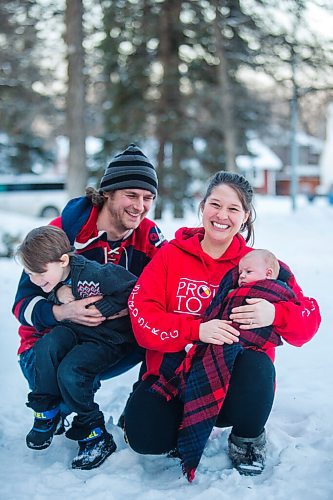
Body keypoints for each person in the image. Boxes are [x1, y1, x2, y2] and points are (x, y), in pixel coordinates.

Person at [124, 171, 321, 479]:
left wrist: (275, 314)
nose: (222, 215)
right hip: (175, 377)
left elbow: (308, 321)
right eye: (215, 204)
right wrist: (196, 330)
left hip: (232, 385)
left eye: (233, 209)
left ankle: (247, 438)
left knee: (256, 364)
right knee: (145, 439)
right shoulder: (170, 256)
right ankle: (170, 418)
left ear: (245, 217)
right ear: (203, 206)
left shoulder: (260, 265)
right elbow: (141, 317)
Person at [12, 144, 166, 427]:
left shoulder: (149, 236)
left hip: (109, 340)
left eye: (148, 197)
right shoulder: (62, 231)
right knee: (63, 387)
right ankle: (61, 404)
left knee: (167, 333)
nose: (140, 206)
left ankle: (142, 410)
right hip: (50, 343)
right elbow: (22, 303)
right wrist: (62, 310)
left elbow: (170, 283)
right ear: (107, 192)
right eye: (131, 195)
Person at [16, 225, 138, 470]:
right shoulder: (56, 281)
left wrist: (103, 308)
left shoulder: (95, 274)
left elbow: (132, 287)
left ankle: (94, 432)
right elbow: (39, 300)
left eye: (38, 273)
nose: (34, 281)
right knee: (47, 346)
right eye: (29, 274)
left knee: (71, 373)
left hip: (107, 339)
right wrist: (58, 294)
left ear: (62, 260)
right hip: (77, 332)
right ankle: (47, 411)